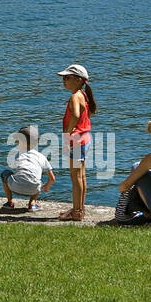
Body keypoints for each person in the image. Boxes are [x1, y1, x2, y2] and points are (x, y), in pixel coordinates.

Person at [56, 63, 95, 221]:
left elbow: (77, 115)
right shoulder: (83, 95)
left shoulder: (74, 96)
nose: (64, 81)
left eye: (67, 78)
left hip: (76, 140)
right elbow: (87, 115)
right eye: (63, 78)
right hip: (85, 138)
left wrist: (68, 133)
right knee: (81, 176)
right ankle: (79, 208)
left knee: (75, 176)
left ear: (78, 80)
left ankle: (77, 212)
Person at [1, 124, 55, 210]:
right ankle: (32, 203)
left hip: (15, 187)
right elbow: (52, 178)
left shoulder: (16, 154)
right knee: (38, 180)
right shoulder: (41, 156)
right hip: (33, 190)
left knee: (5, 173)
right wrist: (47, 186)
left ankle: (10, 202)